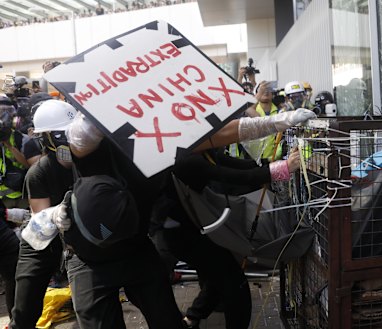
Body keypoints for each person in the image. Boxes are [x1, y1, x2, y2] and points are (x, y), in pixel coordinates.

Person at [60, 107, 316, 328]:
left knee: (170, 319)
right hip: (91, 261)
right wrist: (101, 109)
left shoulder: (159, 141)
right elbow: (81, 139)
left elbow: (220, 137)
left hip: (138, 250)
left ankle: (194, 316)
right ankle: (196, 314)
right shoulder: (96, 150)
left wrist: (279, 121)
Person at [155, 147, 301, 328]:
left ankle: (192, 317)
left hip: (186, 229)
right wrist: (283, 168)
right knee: (233, 285)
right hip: (176, 236)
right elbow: (233, 176)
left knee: (219, 277)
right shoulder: (185, 159)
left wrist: (270, 165)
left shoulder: (200, 152)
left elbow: (237, 166)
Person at [9, 99, 75, 329]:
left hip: (77, 238)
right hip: (41, 243)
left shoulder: (85, 161)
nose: (67, 139)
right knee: (26, 310)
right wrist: (59, 212)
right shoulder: (38, 173)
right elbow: (44, 221)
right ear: (45, 138)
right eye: (59, 135)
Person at [0, 200, 28, 321]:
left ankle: (17, 322)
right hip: (7, 243)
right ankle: (17, 322)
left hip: (7, 242)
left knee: (13, 282)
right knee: (14, 282)